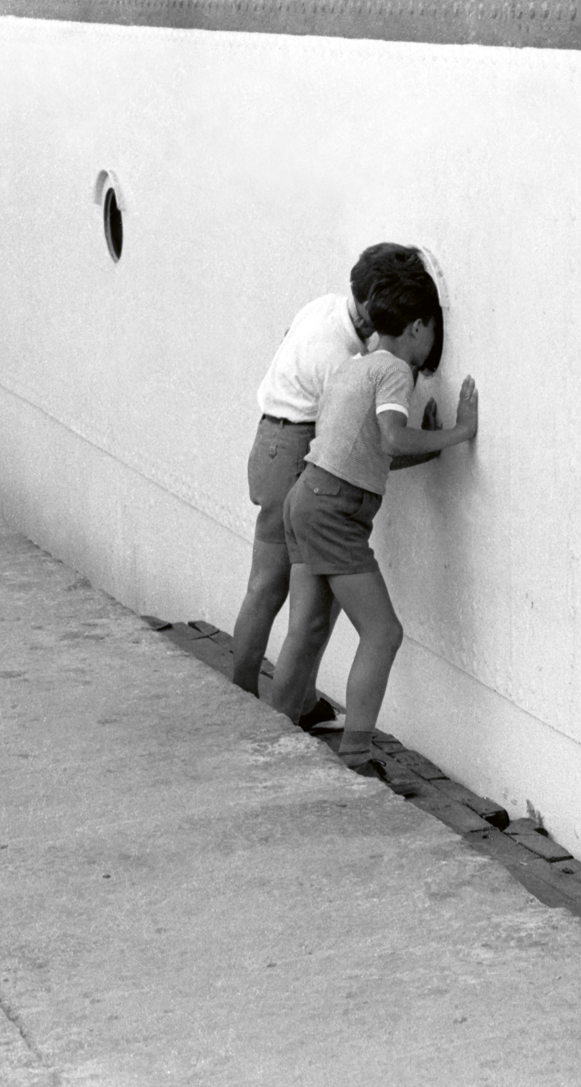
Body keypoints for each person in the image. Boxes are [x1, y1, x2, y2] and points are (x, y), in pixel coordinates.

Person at [266, 267, 477, 774]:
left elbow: (367, 451)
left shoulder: (354, 366)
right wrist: (459, 432)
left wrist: (425, 451)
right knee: (383, 634)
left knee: (308, 627)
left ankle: (270, 736)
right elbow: (392, 439)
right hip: (335, 511)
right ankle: (358, 759)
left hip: (306, 495)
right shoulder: (394, 372)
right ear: (420, 327)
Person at [230, 243, 433, 727]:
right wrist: (432, 444)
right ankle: (239, 700)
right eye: (373, 310)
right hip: (295, 450)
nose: (375, 320)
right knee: (274, 590)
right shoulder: (338, 355)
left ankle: (290, 700)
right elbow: (346, 446)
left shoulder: (321, 308)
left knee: (284, 595)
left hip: (271, 439)